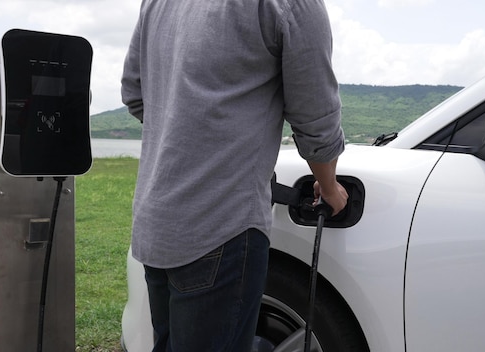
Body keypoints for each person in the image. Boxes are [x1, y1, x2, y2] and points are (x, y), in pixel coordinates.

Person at [121, 0, 348, 350]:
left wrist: (183, 128)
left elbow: (135, 93)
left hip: (157, 223)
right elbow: (315, 118)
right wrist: (330, 186)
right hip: (221, 227)